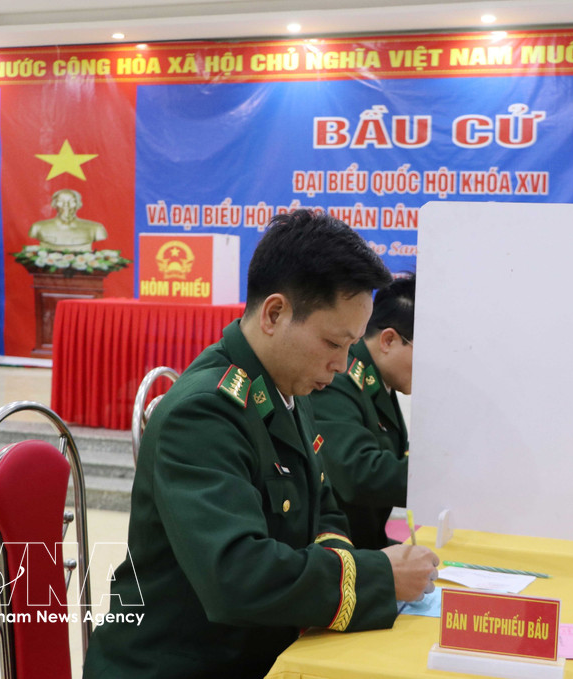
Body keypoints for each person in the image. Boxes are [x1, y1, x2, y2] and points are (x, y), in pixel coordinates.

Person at [83, 211, 438, 679]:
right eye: (334, 343)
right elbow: (237, 576)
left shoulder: (287, 386)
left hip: (262, 647)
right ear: (274, 314)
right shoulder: (205, 412)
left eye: (351, 345)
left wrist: (344, 564)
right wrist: (376, 577)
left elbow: (325, 509)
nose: (341, 364)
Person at [310, 274, 415, 549]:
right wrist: (439, 479)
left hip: (366, 546)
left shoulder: (381, 382)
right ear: (388, 340)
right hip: (337, 554)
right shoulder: (338, 379)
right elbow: (357, 473)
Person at [28, 188, 107, 251]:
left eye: (72, 201)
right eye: (60, 201)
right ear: (53, 204)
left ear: (79, 204)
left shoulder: (96, 228)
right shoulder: (38, 227)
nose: (66, 205)